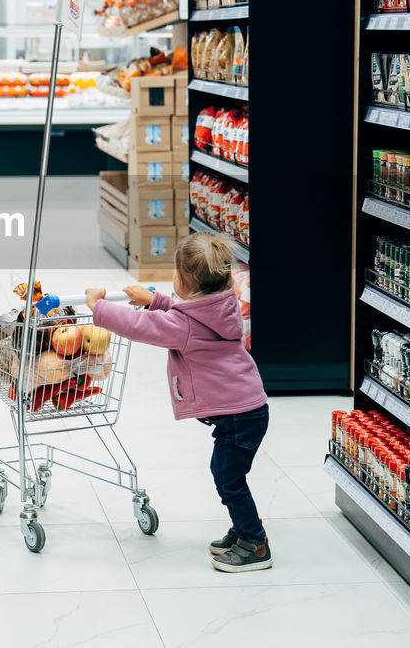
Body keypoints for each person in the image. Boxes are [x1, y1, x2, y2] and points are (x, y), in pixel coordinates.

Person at [85, 232, 270, 572]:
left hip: (238, 416)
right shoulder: (225, 304)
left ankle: (255, 543)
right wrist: (155, 299)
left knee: (228, 480)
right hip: (247, 409)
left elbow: (142, 326)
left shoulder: (185, 325)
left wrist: (99, 307)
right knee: (229, 476)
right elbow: (191, 318)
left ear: (184, 282)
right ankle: (244, 530)